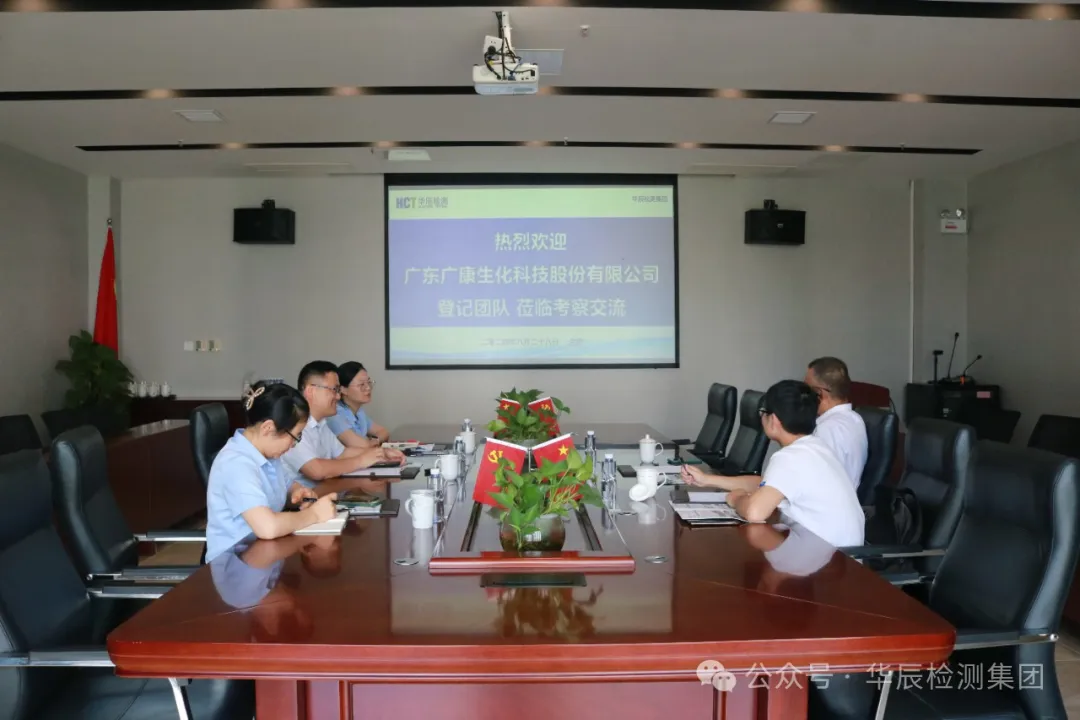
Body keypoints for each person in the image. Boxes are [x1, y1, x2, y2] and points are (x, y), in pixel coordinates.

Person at [682, 380, 864, 548]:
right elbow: (765, 483)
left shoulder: (791, 457)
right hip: (835, 555)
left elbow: (754, 512)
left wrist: (736, 499)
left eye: (763, 412)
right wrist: (707, 480)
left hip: (831, 559)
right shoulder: (815, 447)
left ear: (774, 420)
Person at [204, 381, 340, 563]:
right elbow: (267, 527)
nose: (294, 444)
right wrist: (314, 514)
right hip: (235, 565)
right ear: (268, 428)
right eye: (295, 436)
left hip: (263, 556)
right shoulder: (236, 463)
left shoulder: (268, 454)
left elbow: (287, 483)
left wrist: (298, 491)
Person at [281, 361, 404, 486]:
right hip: (305, 497)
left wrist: (382, 454)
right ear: (311, 391)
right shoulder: (293, 425)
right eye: (334, 390)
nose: (338, 397)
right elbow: (317, 470)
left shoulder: (321, 423)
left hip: (325, 491)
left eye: (338, 390)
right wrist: (361, 460)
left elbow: (342, 454)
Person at [804, 356, 868, 490]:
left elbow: (818, 486)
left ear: (819, 394)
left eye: (806, 390)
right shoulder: (855, 419)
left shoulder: (828, 429)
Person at [328, 361, 390, 449]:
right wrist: (371, 442)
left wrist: (375, 441)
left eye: (369, 382)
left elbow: (383, 432)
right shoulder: (334, 415)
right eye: (361, 384)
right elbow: (362, 446)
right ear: (343, 389)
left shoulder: (359, 412)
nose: (368, 388)